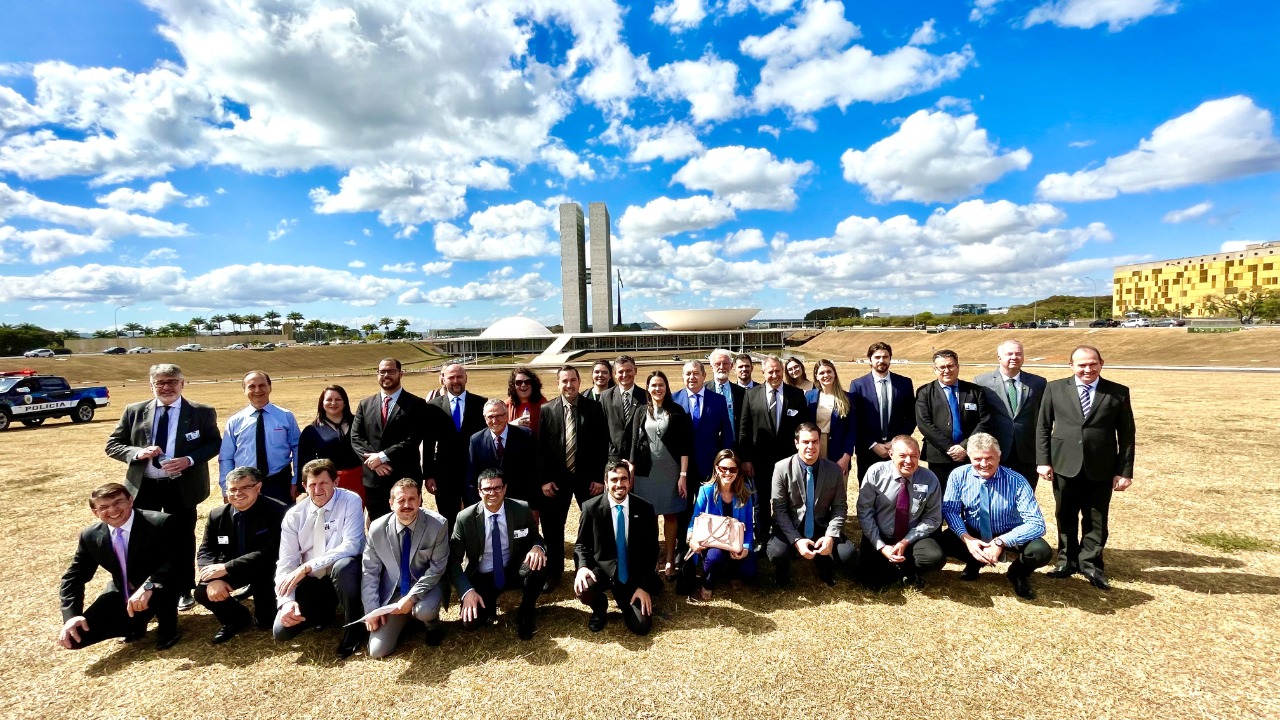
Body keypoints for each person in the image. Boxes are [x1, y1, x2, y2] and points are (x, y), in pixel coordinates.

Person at [105, 362, 220, 613]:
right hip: (144, 487)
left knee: (182, 538)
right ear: (151, 385)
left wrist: (189, 460)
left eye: (172, 382)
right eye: (160, 382)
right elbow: (113, 444)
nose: (166, 387)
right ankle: (146, 589)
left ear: (182, 383)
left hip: (182, 488)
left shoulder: (201, 412)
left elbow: (214, 443)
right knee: (145, 539)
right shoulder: (134, 411)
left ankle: (184, 589)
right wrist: (137, 453)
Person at [1036, 345, 1136, 591]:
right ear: (1071, 366)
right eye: (1082, 365)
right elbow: (1043, 427)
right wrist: (1043, 461)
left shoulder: (1117, 392)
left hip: (1101, 467)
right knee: (1065, 515)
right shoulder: (1055, 388)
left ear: (1101, 363)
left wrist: (1124, 471)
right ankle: (1066, 561)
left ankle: (1091, 564)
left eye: (1093, 364)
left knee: (1096, 518)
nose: (1088, 369)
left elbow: (1127, 435)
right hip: (1064, 465)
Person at [58, 483, 181, 650]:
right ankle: (133, 624)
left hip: (160, 586)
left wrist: (149, 586)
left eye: (118, 502)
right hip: (122, 592)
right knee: (75, 638)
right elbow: (74, 577)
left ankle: (167, 625)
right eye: (104, 507)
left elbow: (176, 561)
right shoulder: (90, 536)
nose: (113, 510)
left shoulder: (160, 522)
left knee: (164, 587)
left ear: (130, 500)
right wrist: (72, 616)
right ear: (95, 512)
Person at [274, 459, 366, 659]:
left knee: (344, 566)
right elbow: (286, 563)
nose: (318, 490)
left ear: (336, 482)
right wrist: (286, 602)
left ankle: (354, 627)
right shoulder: (294, 515)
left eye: (323, 483)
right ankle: (323, 612)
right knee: (281, 631)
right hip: (314, 580)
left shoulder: (350, 501)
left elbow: (352, 545)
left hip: (345, 573)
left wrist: (307, 566)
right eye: (312, 484)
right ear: (304, 486)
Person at [941, 433, 1050, 600]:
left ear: (999, 456)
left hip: (1010, 532)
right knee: (942, 543)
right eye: (978, 459)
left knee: (1041, 552)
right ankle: (975, 561)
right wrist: (967, 539)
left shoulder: (1017, 481)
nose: (984, 464)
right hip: (975, 531)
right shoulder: (958, 475)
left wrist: (1001, 541)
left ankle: (1017, 574)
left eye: (989, 458)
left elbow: (1037, 524)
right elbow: (950, 511)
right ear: (969, 456)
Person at [449, 469, 547, 641]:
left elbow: (535, 537)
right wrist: (467, 591)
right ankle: (488, 605)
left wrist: (538, 547)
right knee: (470, 623)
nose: (492, 493)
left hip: (512, 568)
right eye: (487, 489)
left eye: (497, 488)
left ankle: (526, 612)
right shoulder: (465, 518)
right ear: (479, 491)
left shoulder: (521, 509)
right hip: (482, 574)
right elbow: (453, 560)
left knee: (539, 563)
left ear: (505, 488)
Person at [195, 467, 288, 643]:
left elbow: (272, 551)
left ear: (258, 487)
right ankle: (237, 618)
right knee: (203, 591)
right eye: (232, 489)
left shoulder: (278, 511)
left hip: (266, 570)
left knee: (266, 622)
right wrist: (213, 578)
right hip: (232, 568)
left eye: (245, 487)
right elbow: (206, 550)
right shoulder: (217, 515)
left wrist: (226, 568)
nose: (238, 494)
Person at [536, 365, 608, 591]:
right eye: (564, 381)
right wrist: (544, 480)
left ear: (579, 382)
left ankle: (592, 568)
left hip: (588, 480)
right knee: (553, 527)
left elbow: (602, 445)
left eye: (573, 380)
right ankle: (554, 571)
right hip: (557, 481)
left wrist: (599, 478)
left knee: (594, 524)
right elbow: (541, 448)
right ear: (558, 384)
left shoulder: (594, 408)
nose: (569, 385)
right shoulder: (547, 409)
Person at [361, 479, 450, 657]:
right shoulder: (377, 529)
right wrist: (372, 609)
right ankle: (405, 620)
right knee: (377, 651)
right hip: (394, 592)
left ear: (420, 500)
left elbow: (437, 568)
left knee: (424, 611)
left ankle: (432, 624)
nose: (407, 505)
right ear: (391, 503)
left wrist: (412, 597)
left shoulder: (438, 525)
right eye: (401, 500)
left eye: (412, 499)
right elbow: (370, 571)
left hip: (428, 587)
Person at [573, 461, 661, 635]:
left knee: (641, 627)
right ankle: (600, 608)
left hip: (632, 575)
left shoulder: (645, 508)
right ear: (606, 482)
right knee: (584, 588)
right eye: (614, 480)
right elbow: (581, 544)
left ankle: (627, 599)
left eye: (623, 479)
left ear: (630, 481)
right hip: (602, 570)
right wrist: (582, 567)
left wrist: (643, 586)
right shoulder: (591, 508)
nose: (619, 484)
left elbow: (652, 550)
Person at [767, 423, 857, 587]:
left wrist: (830, 536)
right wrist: (796, 540)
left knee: (848, 555)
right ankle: (783, 569)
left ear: (819, 443)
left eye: (815, 441)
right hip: (792, 526)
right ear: (796, 443)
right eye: (805, 442)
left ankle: (824, 561)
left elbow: (840, 507)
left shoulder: (834, 470)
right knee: (776, 552)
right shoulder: (781, 468)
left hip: (821, 526)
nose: (811, 446)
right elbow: (779, 510)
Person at [738, 355, 810, 548]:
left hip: (789, 460)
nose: (775, 375)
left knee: (789, 500)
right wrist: (745, 459)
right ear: (763, 373)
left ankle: (788, 537)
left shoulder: (796, 395)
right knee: (761, 500)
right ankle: (762, 538)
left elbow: (803, 428)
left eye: (778, 371)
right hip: (760, 460)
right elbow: (744, 430)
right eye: (770, 371)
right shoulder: (751, 395)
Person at [627, 370, 692, 579]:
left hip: (671, 471)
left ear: (666, 387)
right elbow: (633, 445)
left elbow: (685, 446)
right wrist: (630, 474)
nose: (657, 389)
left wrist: (683, 475)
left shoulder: (677, 411)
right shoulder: (640, 411)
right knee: (650, 517)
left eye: (661, 385)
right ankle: (653, 558)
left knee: (670, 515)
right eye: (653, 385)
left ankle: (671, 558)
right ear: (647, 388)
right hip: (645, 473)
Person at [855, 436, 944, 590]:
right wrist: (881, 546)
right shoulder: (876, 473)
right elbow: (865, 512)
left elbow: (933, 518)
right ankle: (893, 567)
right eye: (902, 456)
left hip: (911, 538)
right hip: (880, 536)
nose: (908, 461)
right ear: (891, 454)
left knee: (934, 557)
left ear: (919, 455)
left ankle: (907, 569)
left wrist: (906, 541)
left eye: (913, 456)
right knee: (873, 584)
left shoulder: (929, 479)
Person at [350, 358, 428, 521]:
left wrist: (382, 457)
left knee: (409, 524)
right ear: (377, 374)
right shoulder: (365, 404)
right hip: (374, 479)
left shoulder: (417, 404)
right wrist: (374, 462)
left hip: (405, 477)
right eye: (382, 372)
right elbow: (356, 437)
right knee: (378, 526)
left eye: (391, 371)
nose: (386, 375)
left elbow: (413, 439)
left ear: (401, 374)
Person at [682, 449, 756, 600]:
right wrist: (691, 539)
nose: (728, 473)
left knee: (750, 572)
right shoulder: (706, 490)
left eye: (733, 469)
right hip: (713, 542)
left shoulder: (745, 491)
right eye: (723, 468)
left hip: (736, 542)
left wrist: (746, 547)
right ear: (716, 468)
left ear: (738, 471)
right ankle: (708, 580)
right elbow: (694, 520)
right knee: (715, 557)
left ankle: (733, 571)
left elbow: (749, 524)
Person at [219, 371, 301, 504]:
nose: (257, 390)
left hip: (280, 483)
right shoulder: (234, 422)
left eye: (262, 385)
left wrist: (296, 480)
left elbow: (298, 450)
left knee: (283, 518)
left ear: (270, 387)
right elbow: (226, 458)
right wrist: (226, 489)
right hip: (245, 485)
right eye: (251, 386)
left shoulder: (286, 416)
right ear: (244, 390)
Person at [973, 340, 1047, 489]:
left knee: (1025, 495)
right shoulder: (981, 382)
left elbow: (1043, 418)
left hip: (1027, 452)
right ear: (999, 357)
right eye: (1009, 354)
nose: (1014, 357)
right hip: (995, 451)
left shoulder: (1038, 383)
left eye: (1018, 354)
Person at [425, 360, 488, 529]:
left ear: (466, 378)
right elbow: (429, 443)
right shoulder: (432, 407)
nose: (456, 381)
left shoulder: (481, 403)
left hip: (474, 472)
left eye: (459, 376)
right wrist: (429, 475)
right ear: (443, 379)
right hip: (445, 475)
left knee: (476, 518)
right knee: (448, 519)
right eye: (451, 377)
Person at [914, 349, 990, 489]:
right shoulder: (925, 392)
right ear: (935, 370)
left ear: (958, 367)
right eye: (942, 367)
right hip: (940, 457)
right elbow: (924, 424)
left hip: (971, 454)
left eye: (950, 366)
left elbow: (985, 421)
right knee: (942, 495)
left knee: (971, 493)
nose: (946, 370)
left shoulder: (975, 391)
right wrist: (950, 448)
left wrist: (964, 447)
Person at [849, 342, 916, 481]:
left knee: (898, 488)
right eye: (877, 357)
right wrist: (873, 444)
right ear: (870, 360)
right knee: (868, 490)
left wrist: (895, 442)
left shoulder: (904, 383)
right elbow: (855, 419)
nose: (881, 360)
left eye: (885, 357)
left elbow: (911, 417)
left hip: (897, 450)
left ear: (890, 358)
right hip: (868, 450)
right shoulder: (858, 385)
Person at [298, 385, 364, 503]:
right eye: (329, 399)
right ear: (322, 403)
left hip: (358, 479)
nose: (333, 403)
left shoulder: (359, 423)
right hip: (327, 481)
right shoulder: (312, 430)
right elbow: (304, 461)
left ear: (345, 402)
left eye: (338, 399)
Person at [672, 359, 734, 483]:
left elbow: (727, 433)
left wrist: (725, 461)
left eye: (696, 373)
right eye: (688, 374)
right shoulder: (673, 400)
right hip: (681, 468)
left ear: (704, 375)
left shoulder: (718, 400)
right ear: (683, 376)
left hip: (711, 465)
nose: (692, 377)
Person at [469, 398, 538, 506]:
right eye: (490, 417)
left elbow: (534, 473)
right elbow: (472, 478)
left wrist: (534, 506)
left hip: (521, 504)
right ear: (485, 418)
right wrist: (478, 507)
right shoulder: (476, 440)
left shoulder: (525, 436)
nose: (494, 421)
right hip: (490, 504)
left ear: (506, 416)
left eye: (499, 416)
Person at [806, 359, 855, 477]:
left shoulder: (847, 398)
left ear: (834, 374)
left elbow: (852, 430)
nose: (826, 375)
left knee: (838, 486)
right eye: (821, 373)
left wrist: (846, 457)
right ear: (816, 376)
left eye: (829, 371)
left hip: (839, 453)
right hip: (815, 447)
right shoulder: (809, 396)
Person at [601, 355, 646, 461]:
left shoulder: (646, 396)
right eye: (620, 372)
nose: (625, 375)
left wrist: (634, 459)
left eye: (628, 370)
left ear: (635, 371)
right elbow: (602, 430)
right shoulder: (606, 396)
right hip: (613, 460)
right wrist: (615, 457)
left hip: (640, 459)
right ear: (615, 374)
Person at [708, 348, 746, 441]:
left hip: (734, 444)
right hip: (710, 445)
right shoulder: (703, 391)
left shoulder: (742, 392)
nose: (721, 367)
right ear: (711, 367)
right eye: (717, 364)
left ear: (731, 366)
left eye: (725, 363)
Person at [505, 366, 548, 435]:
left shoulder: (543, 404)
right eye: (519, 382)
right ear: (513, 385)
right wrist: (514, 424)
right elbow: (499, 429)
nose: (523, 385)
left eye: (527, 382)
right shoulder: (506, 405)